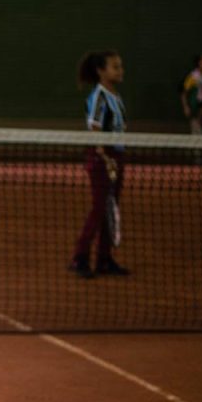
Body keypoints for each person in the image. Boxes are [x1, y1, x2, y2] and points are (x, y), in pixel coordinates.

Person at [69, 50, 129, 279]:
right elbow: (95, 132)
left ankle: (104, 259)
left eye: (120, 66)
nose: (120, 71)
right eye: (115, 67)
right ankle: (80, 257)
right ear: (101, 71)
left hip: (117, 156)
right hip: (101, 157)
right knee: (99, 208)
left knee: (109, 210)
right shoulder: (99, 97)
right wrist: (105, 159)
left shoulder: (116, 96)